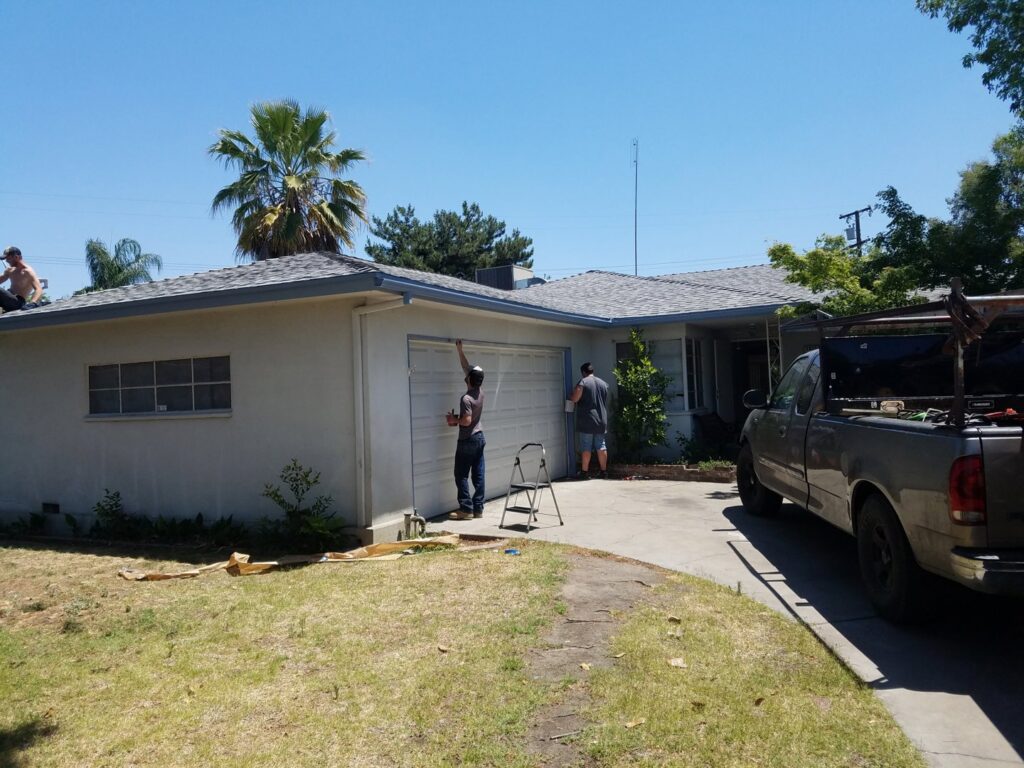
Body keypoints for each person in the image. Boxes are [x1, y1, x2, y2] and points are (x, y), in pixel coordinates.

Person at [446, 339, 486, 520]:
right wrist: (459, 350)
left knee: (461, 474)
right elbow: (467, 368)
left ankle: (466, 509)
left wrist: (454, 419)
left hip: (467, 439)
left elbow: (467, 420)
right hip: (479, 437)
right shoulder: (480, 391)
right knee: (478, 474)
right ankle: (478, 509)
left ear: (469, 379)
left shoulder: (466, 399)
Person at [570, 362, 610, 478]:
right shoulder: (603, 383)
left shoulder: (583, 382)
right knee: (601, 445)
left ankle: (584, 473)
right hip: (601, 419)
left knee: (586, 446)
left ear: (583, 372)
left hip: (587, 420)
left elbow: (575, 398)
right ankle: (603, 472)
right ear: (592, 371)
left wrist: (571, 396)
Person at [0, 246, 43, 313]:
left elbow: (39, 289)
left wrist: (33, 303)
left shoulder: (27, 271)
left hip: (17, 302)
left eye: (8, 259)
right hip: (7, 300)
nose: (6, 261)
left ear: (16, 257)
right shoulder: (10, 270)